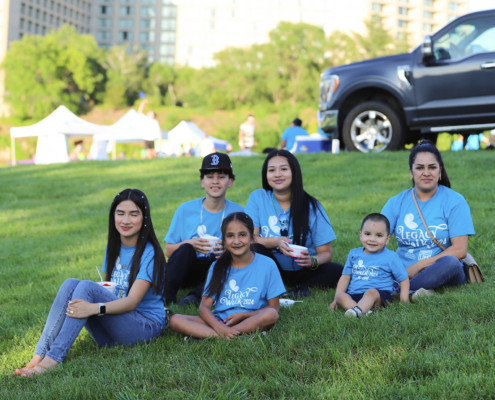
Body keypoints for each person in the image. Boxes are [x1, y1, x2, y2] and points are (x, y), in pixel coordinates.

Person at [14, 189, 167, 377]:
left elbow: (132, 301)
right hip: (115, 334)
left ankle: (53, 359)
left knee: (86, 286)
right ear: (113, 217)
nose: (126, 220)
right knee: (71, 283)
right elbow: (111, 292)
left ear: (144, 218)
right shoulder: (112, 249)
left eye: (133, 214)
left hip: (144, 328)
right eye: (120, 214)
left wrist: (94, 309)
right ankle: (37, 357)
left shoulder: (150, 253)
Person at [381, 139, 475, 298]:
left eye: (432, 167)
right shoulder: (396, 202)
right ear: (411, 172)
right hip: (403, 270)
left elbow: (460, 250)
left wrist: (418, 266)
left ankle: (398, 290)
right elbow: (376, 239)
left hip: (442, 269)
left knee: (451, 262)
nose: (426, 172)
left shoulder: (455, 201)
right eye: (419, 168)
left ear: (439, 171)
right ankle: (419, 291)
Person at [169, 212, 285, 339]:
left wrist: (243, 315)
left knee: (271, 314)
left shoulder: (268, 265)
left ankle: (212, 335)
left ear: (252, 237)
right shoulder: (217, 266)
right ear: (224, 240)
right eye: (230, 236)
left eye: (242, 235)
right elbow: (204, 308)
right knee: (175, 319)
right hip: (220, 321)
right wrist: (220, 327)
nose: (236, 241)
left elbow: (274, 308)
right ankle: (228, 335)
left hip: (252, 318)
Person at [244, 150, 343, 296]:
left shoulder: (311, 205)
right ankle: (272, 285)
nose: (277, 174)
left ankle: (297, 291)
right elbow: (249, 239)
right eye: (272, 170)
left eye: (284, 169)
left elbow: (326, 253)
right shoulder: (258, 198)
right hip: (271, 268)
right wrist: (276, 242)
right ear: (266, 175)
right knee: (255, 249)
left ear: (294, 172)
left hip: (303, 270)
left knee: (338, 271)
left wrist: (312, 261)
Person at [165, 152, 244, 306]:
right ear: (202, 182)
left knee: (228, 260)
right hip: (189, 269)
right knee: (186, 247)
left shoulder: (239, 213)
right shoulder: (185, 209)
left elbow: (248, 250)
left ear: (230, 181)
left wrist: (230, 250)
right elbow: (168, 251)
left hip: (218, 269)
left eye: (221, 176)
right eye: (209, 177)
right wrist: (190, 244)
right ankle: (165, 296)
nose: (215, 181)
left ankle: (194, 298)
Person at [330, 213, 410, 318]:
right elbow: (345, 277)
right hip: (354, 295)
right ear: (361, 235)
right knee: (340, 296)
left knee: (370, 292)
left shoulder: (391, 257)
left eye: (379, 235)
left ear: (387, 239)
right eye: (367, 234)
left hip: (378, 295)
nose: (372, 239)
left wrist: (404, 299)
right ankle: (363, 312)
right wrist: (335, 299)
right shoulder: (354, 254)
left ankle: (358, 311)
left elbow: (403, 278)